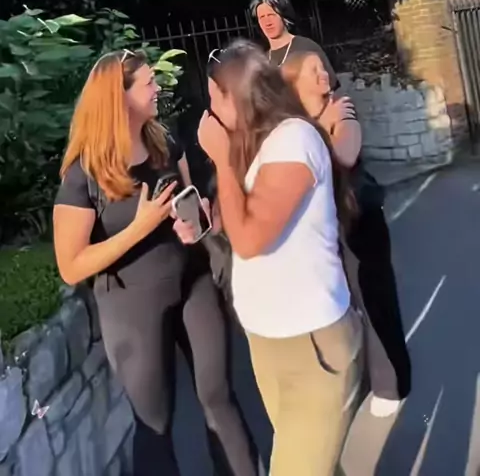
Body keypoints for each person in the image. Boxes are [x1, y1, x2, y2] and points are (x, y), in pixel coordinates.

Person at [53, 48, 258, 476]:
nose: (157, 88)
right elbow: (71, 265)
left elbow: (196, 210)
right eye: (148, 83)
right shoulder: (83, 174)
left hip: (193, 284)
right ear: (119, 97)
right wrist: (139, 227)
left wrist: (199, 220)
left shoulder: (164, 142)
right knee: (155, 424)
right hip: (132, 308)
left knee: (218, 395)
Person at [174, 41, 362, 476]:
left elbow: (250, 240)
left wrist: (221, 160)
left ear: (235, 96)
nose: (209, 111)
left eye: (214, 97)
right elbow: (243, 217)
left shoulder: (293, 139)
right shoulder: (255, 143)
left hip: (313, 345)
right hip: (268, 340)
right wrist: (208, 224)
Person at [282, 51, 412, 418]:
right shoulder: (292, 124)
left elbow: (346, 155)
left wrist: (324, 126)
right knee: (341, 308)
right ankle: (358, 379)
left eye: (322, 67)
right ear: (294, 83)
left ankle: (391, 383)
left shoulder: (343, 108)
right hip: (323, 228)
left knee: (374, 300)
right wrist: (320, 127)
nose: (323, 73)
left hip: (360, 221)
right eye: (312, 70)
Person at [249, 0, 338, 89]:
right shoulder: (262, 60)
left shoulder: (306, 47)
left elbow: (332, 87)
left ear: (284, 17)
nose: (267, 22)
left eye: (271, 15)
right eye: (262, 17)